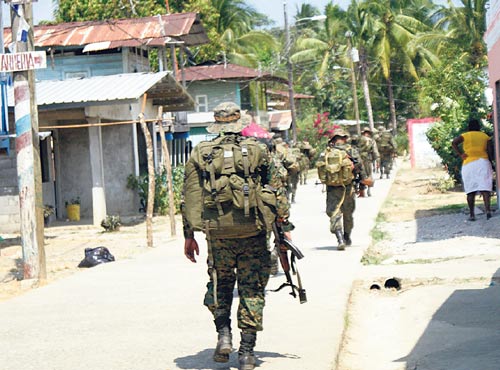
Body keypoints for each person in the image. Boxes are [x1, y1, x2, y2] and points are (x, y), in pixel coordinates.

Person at [181, 102, 293, 370]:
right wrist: (283, 229)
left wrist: (189, 235)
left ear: (216, 124)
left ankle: (223, 335)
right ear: (239, 124)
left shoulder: (201, 152)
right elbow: (277, 189)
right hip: (253, 231)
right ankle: (247, 353)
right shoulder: (258, 150)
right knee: (252, 289)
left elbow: (190, 195)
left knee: (220, 284)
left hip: (217, 233)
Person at [316, 128, 364, 250]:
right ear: (344, 138)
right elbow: (360, 168)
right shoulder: (351, 150)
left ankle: (339, 238)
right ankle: (347, 237)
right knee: (348, 213)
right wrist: (362, 185)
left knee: (334, 212)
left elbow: (320, 168)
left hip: (332, 188)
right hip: (348, 187)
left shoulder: (326, 152)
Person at [451, 117, 494, 221]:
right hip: (483, 162)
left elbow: (454, 143)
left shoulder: (465, 135)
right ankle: (488, 211)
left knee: (470, 190)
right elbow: (490, 151)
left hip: (469, 164)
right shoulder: (485, 136)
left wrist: (461, 154)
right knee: (485, 188)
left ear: (469, 127)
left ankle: (472, 215)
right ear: (479, 127)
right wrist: (491, 162)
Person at [359, 127, 379, 196]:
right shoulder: (371, 141)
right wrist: (377, 159)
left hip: (358, 159)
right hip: (367, 159)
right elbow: (375, 151)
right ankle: (368, 190)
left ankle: (361, 190)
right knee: (369, 175)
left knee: (360, 175)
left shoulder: (358, 139)